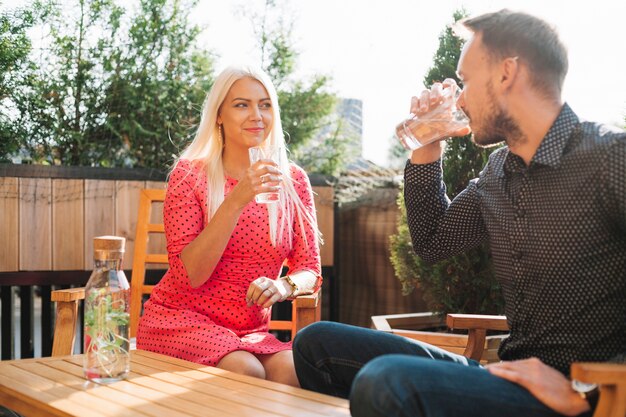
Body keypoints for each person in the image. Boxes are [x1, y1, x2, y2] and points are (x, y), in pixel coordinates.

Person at [293, 9, 625, 417]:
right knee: (317, 344)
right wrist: (426, 148)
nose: (460, 98)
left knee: (388, 381)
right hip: (508, 375)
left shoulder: (611, 158)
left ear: (507, 73)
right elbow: (433, 242)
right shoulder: (499, 170)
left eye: (466, 81)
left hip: (581, 395)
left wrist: (587, 390)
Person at [137, 65, 322, 387]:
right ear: (219, 115)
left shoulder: (292, 180)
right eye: (241, 104)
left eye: (264, 104)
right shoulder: (189, 175)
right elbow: (190, 275)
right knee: (245, 370)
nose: (256, 115)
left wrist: (283, 287)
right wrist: (236, 200)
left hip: (248, 331)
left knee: (290, 371)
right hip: (180, 321)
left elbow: (310, 269)